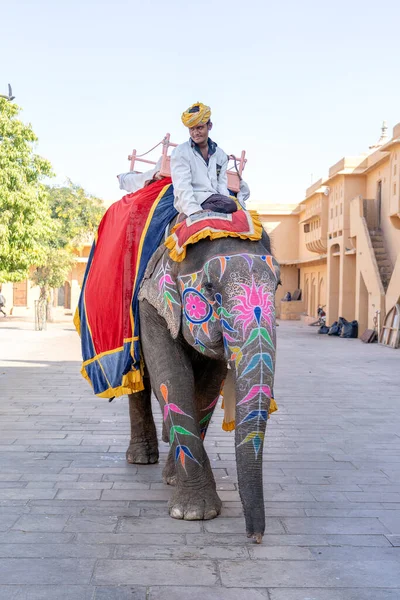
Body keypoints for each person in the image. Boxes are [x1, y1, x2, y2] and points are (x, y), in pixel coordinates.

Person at [170, 102, 238, 217]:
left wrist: (227, 203)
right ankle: (187, 214)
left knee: (233, 205)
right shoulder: (181, 152)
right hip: (194, 197)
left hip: (215, 199)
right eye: (192, 129)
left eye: (200, 128)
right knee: (229, 204)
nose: (195, 133)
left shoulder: (220, 155)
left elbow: (221, 184)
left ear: (209, 126)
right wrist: (193, 209)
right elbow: (182, 185)